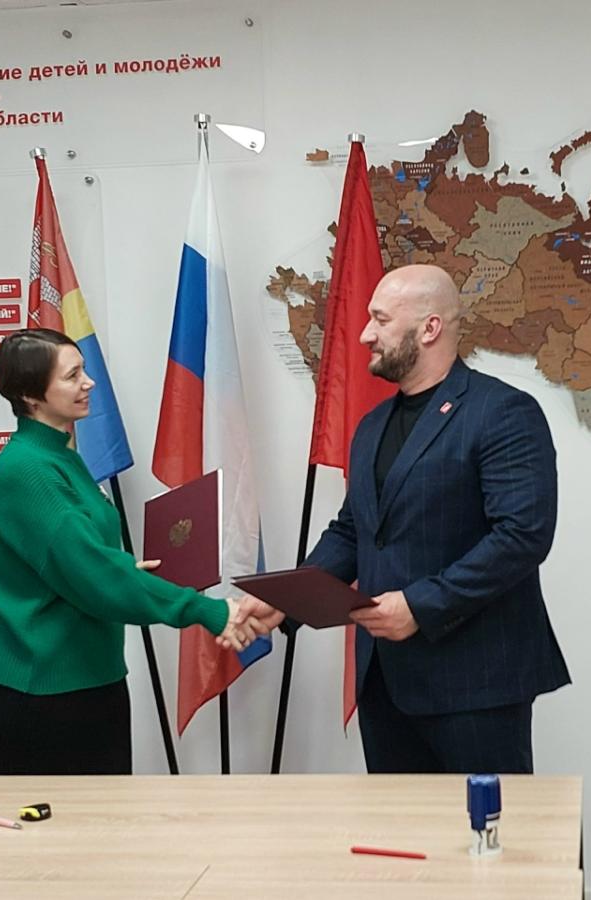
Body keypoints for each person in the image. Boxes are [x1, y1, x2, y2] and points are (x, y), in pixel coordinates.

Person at [236, 264, 570, 773]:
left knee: (487, 823)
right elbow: (355, 530)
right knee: (399, 824)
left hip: (475, 685)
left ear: (429, 328)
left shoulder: (503, 412)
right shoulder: (372, 426)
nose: (365, 334)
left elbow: (522, 536)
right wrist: (287, 600)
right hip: (384, 684)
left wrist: (420, 604)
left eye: (381, 320)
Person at [0, 328, 253, 776]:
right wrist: (209, 611)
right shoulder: (28, 470)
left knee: (104, 818)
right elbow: (93, 576)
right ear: (30, 396)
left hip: (91, 680)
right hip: (46, 695)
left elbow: (84, 563)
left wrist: (122, 570)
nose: (88, 382)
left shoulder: (61, 457)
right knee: (61, 824)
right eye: (72, 376)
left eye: (84, 370)